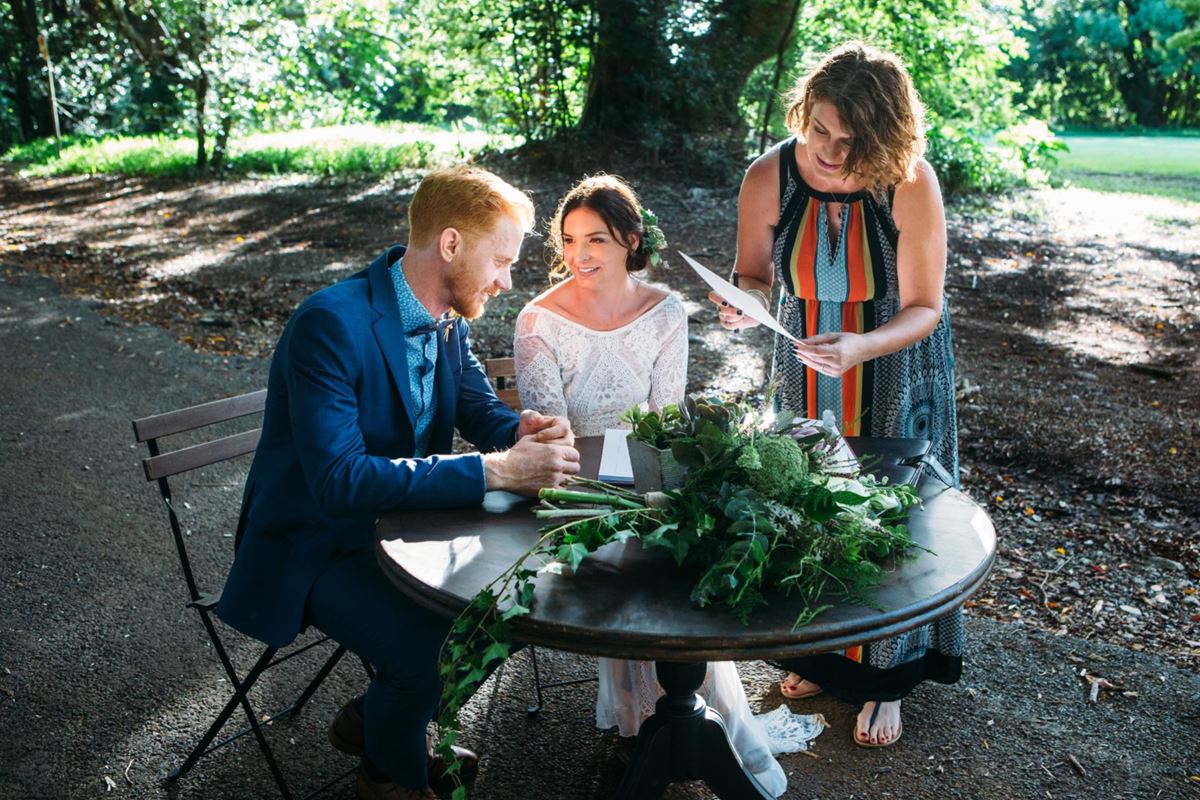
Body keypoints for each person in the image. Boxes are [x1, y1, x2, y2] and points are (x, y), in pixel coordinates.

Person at [216, 166, 581, 800]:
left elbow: (477, 410)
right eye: (501, 260)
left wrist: (522, 429)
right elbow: (339, 481)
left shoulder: (449, 317)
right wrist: (498, 471)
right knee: (430, 652)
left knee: (506, 612)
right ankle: (388, 774)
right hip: (317, 543)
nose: (506, 279)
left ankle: (379, 724)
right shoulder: (328, 324)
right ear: (450, 245)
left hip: (407, 532)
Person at [515, 175, 805, 796]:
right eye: (569, 240)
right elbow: (552, 435)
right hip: (576, 486)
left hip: (653, 474)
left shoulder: (666, 312)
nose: (580, 254)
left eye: (596, 238)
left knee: (676, 541)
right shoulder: (538, 319)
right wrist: (615, 479)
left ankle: (670, 723)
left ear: (630, 239)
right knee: (629, 548)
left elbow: (666, 423)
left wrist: (655, 481)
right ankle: (645, 727)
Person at [709, 42, 962, 748]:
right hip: (803, 363)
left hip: (893, 362)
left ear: (882, 140)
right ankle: (824, 659)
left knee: (891, 515)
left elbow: (924, 308)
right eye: (819, 128)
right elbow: (756, 274)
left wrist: (858, 346)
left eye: (849, 141)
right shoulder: (768, 176)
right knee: (810, 507)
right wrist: (741, 300)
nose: (827, 149)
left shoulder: (909, 184)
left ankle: (887, 681)